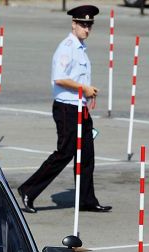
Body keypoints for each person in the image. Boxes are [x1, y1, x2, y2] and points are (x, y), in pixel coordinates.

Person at [18, 5, 112, 213]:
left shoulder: (81, 48)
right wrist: (84, 88)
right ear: (74, 24)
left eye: (89, 25)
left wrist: (87, 92)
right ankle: (28, 190)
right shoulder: (67, 47)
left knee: (87, 154)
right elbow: (59, 78)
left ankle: (87, 199)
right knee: (65, 153)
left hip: (80, 107)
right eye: (83, 25)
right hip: (66, 108)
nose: (86, 29)